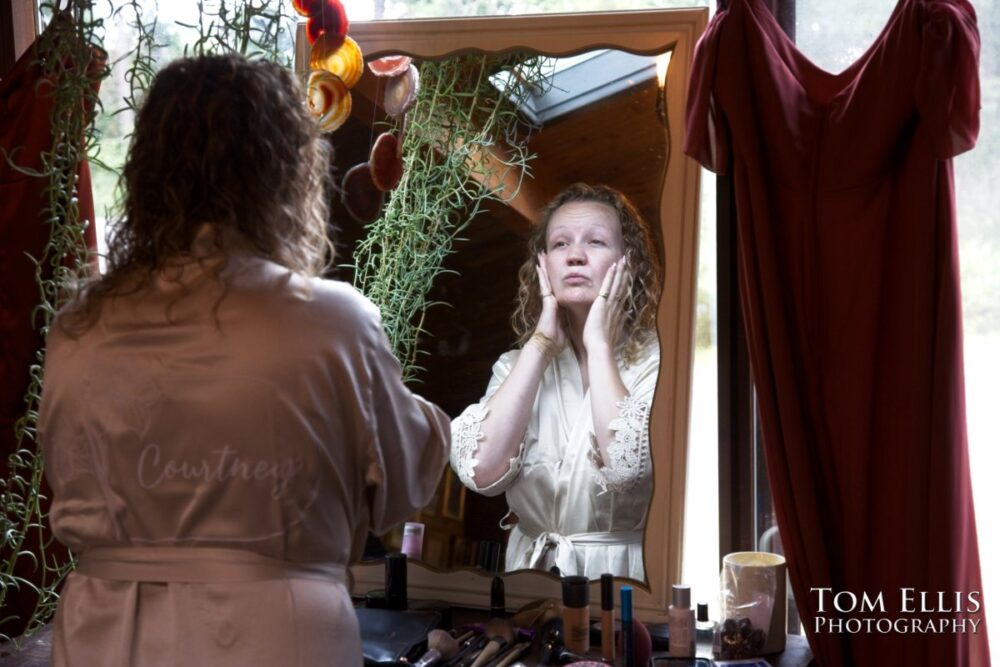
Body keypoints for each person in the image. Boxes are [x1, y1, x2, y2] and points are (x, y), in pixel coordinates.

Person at [37, 54, 450, 667]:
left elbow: (62, 475)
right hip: (277, 634)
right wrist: (428, 423)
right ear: (284, 173)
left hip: (107, 634)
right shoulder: (332, 322)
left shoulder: (78, 327)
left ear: (150, 173)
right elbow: (400, 485)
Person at [450, 183, 662, 580]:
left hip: (621, 579)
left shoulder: (658, 362)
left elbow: (626, 469)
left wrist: (598, 345)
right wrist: (542, 343)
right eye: (561, 244)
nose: (576, 256)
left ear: (628, 263)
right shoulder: (515, 366)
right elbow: (481, 471)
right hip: (529, 581)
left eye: (596, 242)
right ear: (542, 264)